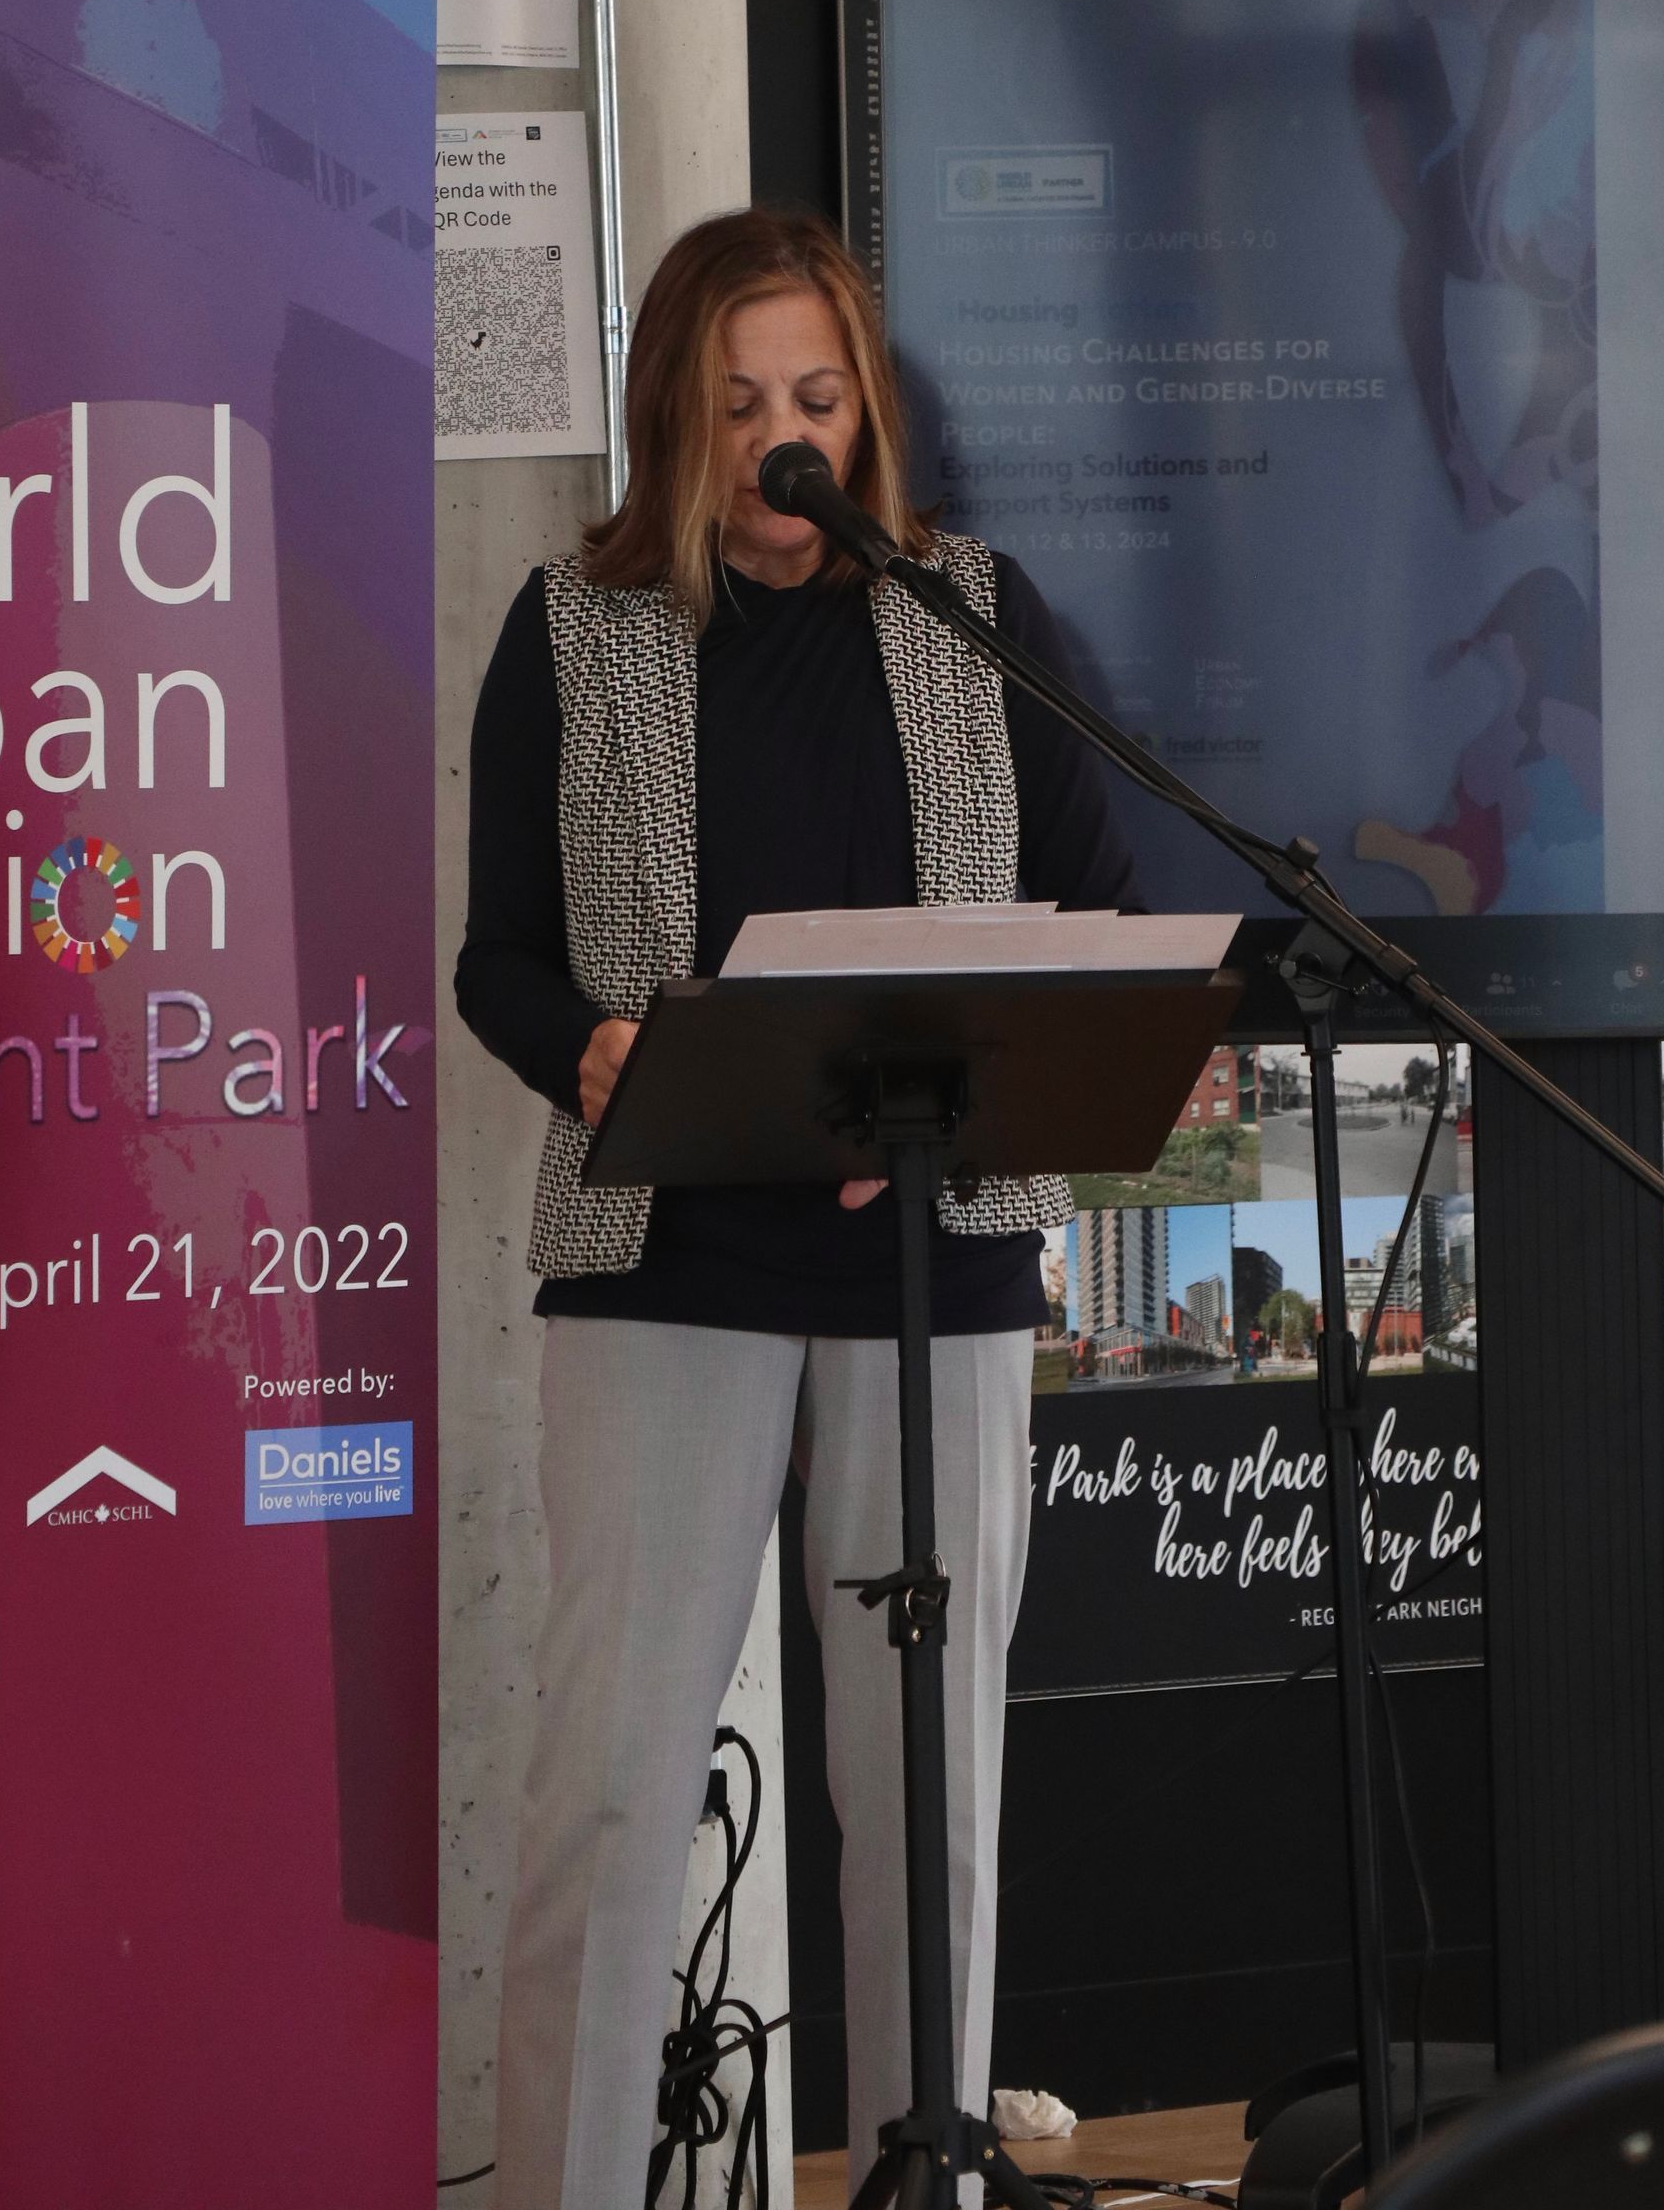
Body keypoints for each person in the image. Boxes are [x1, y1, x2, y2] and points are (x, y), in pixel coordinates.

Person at [456, 204, 1139, 2204]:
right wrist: (593, 1049)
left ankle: (928, 2177)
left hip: (940, 1265)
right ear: (677, 414)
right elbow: (501, 959)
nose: (786, 441)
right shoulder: (574, 631)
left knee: (931, 1797)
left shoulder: (974, 613)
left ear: (865, 417)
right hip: (669, 1260)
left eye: (819, 399)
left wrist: (959, 1088)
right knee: (611, 1792)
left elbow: (1098, 911)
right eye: (743, 401)